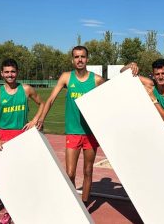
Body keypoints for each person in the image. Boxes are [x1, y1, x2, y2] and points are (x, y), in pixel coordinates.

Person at [37, 45, 105, 206]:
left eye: (82, 57)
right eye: (76, 57)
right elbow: (51, 99)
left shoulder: (96, 79)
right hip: (73, 132)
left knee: (88, 171)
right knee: (70, 173)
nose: (80, 59)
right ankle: (73, 205)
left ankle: (85, 205)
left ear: (87, 59)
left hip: (90, 134)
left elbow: (113, 92)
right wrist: (41, 118)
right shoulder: (66, 77)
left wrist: (127, 69)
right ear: (72, 59)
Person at [122, 59, 164, 159]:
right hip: (159, 130)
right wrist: (131, 66)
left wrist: (154, 100)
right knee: (160, 165)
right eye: (157, 74)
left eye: (163, 73)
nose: (160, 76)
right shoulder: (151, 85)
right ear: (153, 75)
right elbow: (123, 73)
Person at [0, 58, 45, 149]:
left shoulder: (26, 89)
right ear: (2, 73)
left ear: (17, 72)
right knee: (7, 163)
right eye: (6, 72)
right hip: (3, 135)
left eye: (13, 71)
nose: (10, 75)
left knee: (25, 162)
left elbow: (42, 104)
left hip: (23, 133)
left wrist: (35, 120)